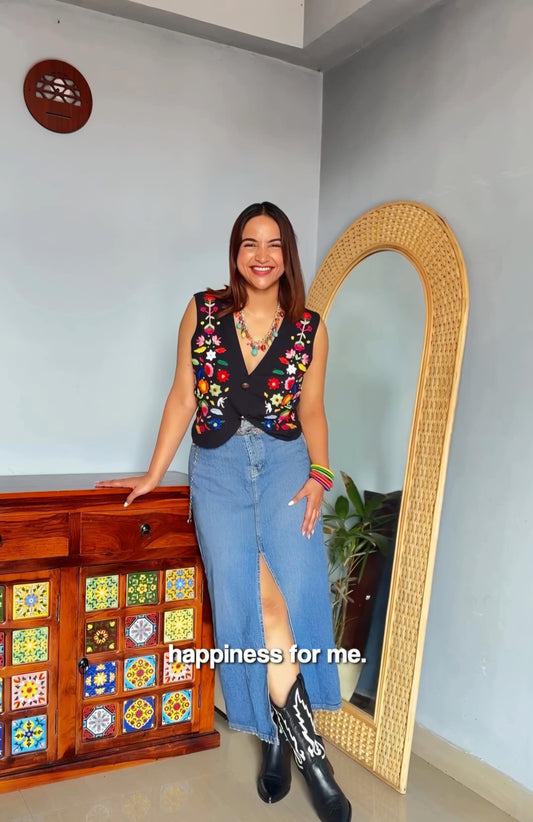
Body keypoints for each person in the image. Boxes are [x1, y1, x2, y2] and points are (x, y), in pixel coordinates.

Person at [96, 202, 351, 822]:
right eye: (248, 244)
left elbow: (311, 408)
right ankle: (299, 749)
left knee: (292, 596)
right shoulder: (204, 310)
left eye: (272, 245)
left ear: (287, 254)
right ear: (235, 253)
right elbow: (184, 394)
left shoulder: (310, 326)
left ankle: (287, 746)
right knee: (249, 603)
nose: (260, 256)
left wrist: (321, 471)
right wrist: (156, 473)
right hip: (217, 471)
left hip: (289, 465)